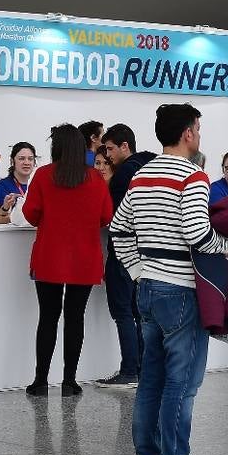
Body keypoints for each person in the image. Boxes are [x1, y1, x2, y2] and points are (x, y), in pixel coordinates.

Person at [110, 103, 228, 455]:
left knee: (151, 380)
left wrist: (137, 271)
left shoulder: (141, 176)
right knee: (182, 384)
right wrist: (226, 247)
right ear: (189, 133)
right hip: (181, 290)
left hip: (147, 289)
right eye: (198, 127)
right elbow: (198, 233)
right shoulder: (193, 176)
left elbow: (118, 229)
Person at [20, 124, 113, 398]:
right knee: (75, 318)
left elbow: (31, 213)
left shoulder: (44, 175)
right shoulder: (95, 179)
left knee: (47, 317)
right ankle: (69, 381)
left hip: (49, 257)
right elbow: (106, 216)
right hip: (84, 258)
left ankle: (40, 381)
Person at [94, 123, 157, 389]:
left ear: (124, 146)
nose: (107, 156)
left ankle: (129, 369)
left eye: (109, 149)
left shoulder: (123, 176)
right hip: (145, 251)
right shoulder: (150, 167)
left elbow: (116, 218)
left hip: (123, 252)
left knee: (122, 311)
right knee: (137, 311)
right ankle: (142, 367)